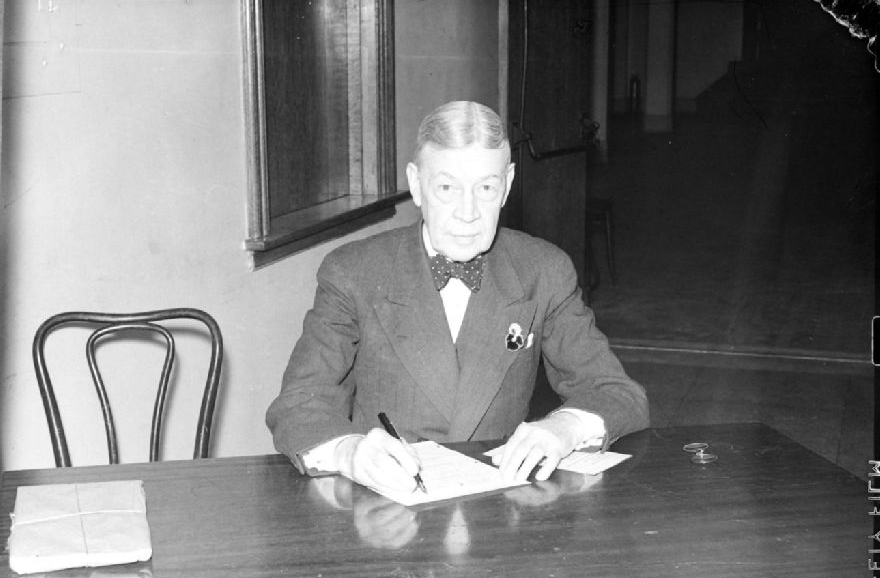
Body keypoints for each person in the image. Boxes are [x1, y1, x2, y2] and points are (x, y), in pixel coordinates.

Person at [266, 100, 649, 497]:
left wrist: (563, 428)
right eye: (447, 188)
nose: (468, 213)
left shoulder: (543, 270)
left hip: (499, 503)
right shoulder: (354, 272)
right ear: (416, 184)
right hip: (385, 506)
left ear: (508, 184)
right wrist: (349, 453)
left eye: (486, 188)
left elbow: (618, 393)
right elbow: (298, 405)